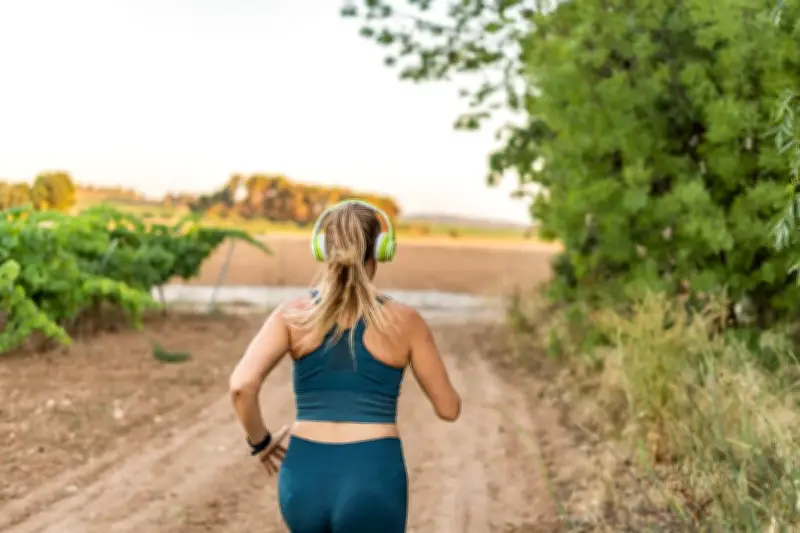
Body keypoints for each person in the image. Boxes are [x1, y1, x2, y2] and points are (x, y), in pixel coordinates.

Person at [229, 199, 461, 533]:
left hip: (302, 479)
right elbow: (448, 408)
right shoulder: (406, 321)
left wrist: (261, 443)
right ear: (381, 251)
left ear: (322, 249)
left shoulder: (292, 314)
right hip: (373, 476)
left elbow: (241, 386)